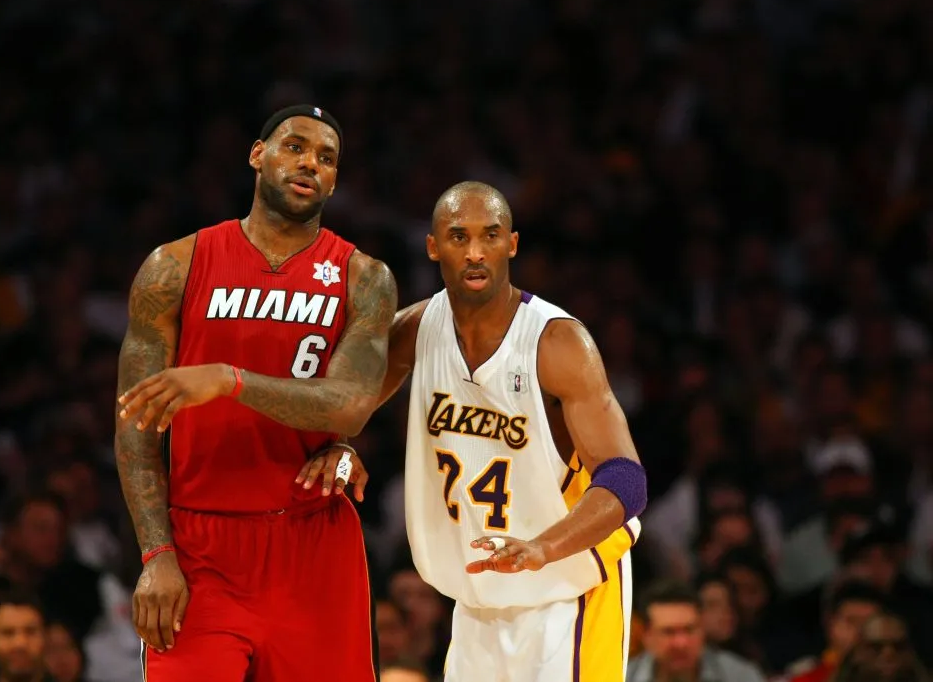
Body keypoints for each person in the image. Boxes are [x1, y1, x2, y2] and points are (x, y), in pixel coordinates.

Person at [303, 181, 646, 680]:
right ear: (433, 246)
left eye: (491, 235)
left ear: (512, 243)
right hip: (476, 600)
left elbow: (626, 481)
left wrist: (543, 547)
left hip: (567, 596)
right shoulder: (416, 330)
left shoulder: (557, 342)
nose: (476, 252)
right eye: (459, 237)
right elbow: (338, 409)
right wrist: (340, 446)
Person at [113, 105, 397, 681]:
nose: (309, 163)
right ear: (257, 154)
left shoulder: (363, 277)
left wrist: (228, 379)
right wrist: (156, 554)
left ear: (336, 180)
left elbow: (352, 404)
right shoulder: (174, 266)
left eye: (326, 158)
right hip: (201, 547)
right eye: (294, 146)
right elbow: (134, 424)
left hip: (313, 543)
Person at [627, 580, 767, 682]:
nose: (681, 643)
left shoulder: (740, 676)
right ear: (646, 636)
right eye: (668, 632)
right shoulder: (620, 677)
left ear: (702, 629)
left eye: (689, 630)